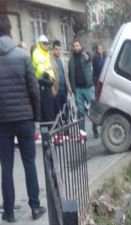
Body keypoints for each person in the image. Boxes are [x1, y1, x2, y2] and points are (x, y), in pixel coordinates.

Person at [0, 15, 46, 222]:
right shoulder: (23, 56)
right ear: (11, 32)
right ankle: (35, 207)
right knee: (29, 162)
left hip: (2, 122)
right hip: (25, 118)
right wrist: (35, 116)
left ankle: (9, 213)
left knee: (6, 167)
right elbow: (34, 90)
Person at [68, 40, 94, 133]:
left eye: (77, 45)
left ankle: (95, 130)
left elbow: (90, 57)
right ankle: (82, 132)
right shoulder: (71, 60)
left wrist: (89, 57)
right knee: (81, 111)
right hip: (78, 90)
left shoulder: (85, 55)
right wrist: (71, 87)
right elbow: (70, 74)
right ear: (72, 47)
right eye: (74, 46)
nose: (76, 47)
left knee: (92, 110)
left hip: (88, 88)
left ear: (80, 46)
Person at [32, 34, 55, 122]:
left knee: (49, 112)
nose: (47, 45)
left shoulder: (45, 53)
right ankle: (48, 133)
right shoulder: (37, 53)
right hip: (43, 84)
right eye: (44, 43)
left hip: (48, 84)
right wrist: (48, 76)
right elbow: (41, 69)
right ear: (39, 44)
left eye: (47, 43)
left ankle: (49, 132)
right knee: (47, 114)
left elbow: (49, 68)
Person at [50, 40, 72, 117]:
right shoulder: (50, 60)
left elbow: (66, 74)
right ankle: (59, 127)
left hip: (64, 89)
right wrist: (52, 88)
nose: (58, 51)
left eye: (59, 49)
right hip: (56, 90)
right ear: (53, 49)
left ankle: (66, 127)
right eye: (56, 49)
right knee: (57, 111)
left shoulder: (62, 59)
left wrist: (69, 88)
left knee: (65, 110)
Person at [92, 45, 106, 138]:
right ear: (97, 50)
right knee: (97, 107)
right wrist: (105, 58)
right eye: (99, 48)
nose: (100, 50)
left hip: (103, 84)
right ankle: (95, 128)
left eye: (102, 48)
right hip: (98, 84)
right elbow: (100, 67)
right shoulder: (96, 58)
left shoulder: (102, 57)